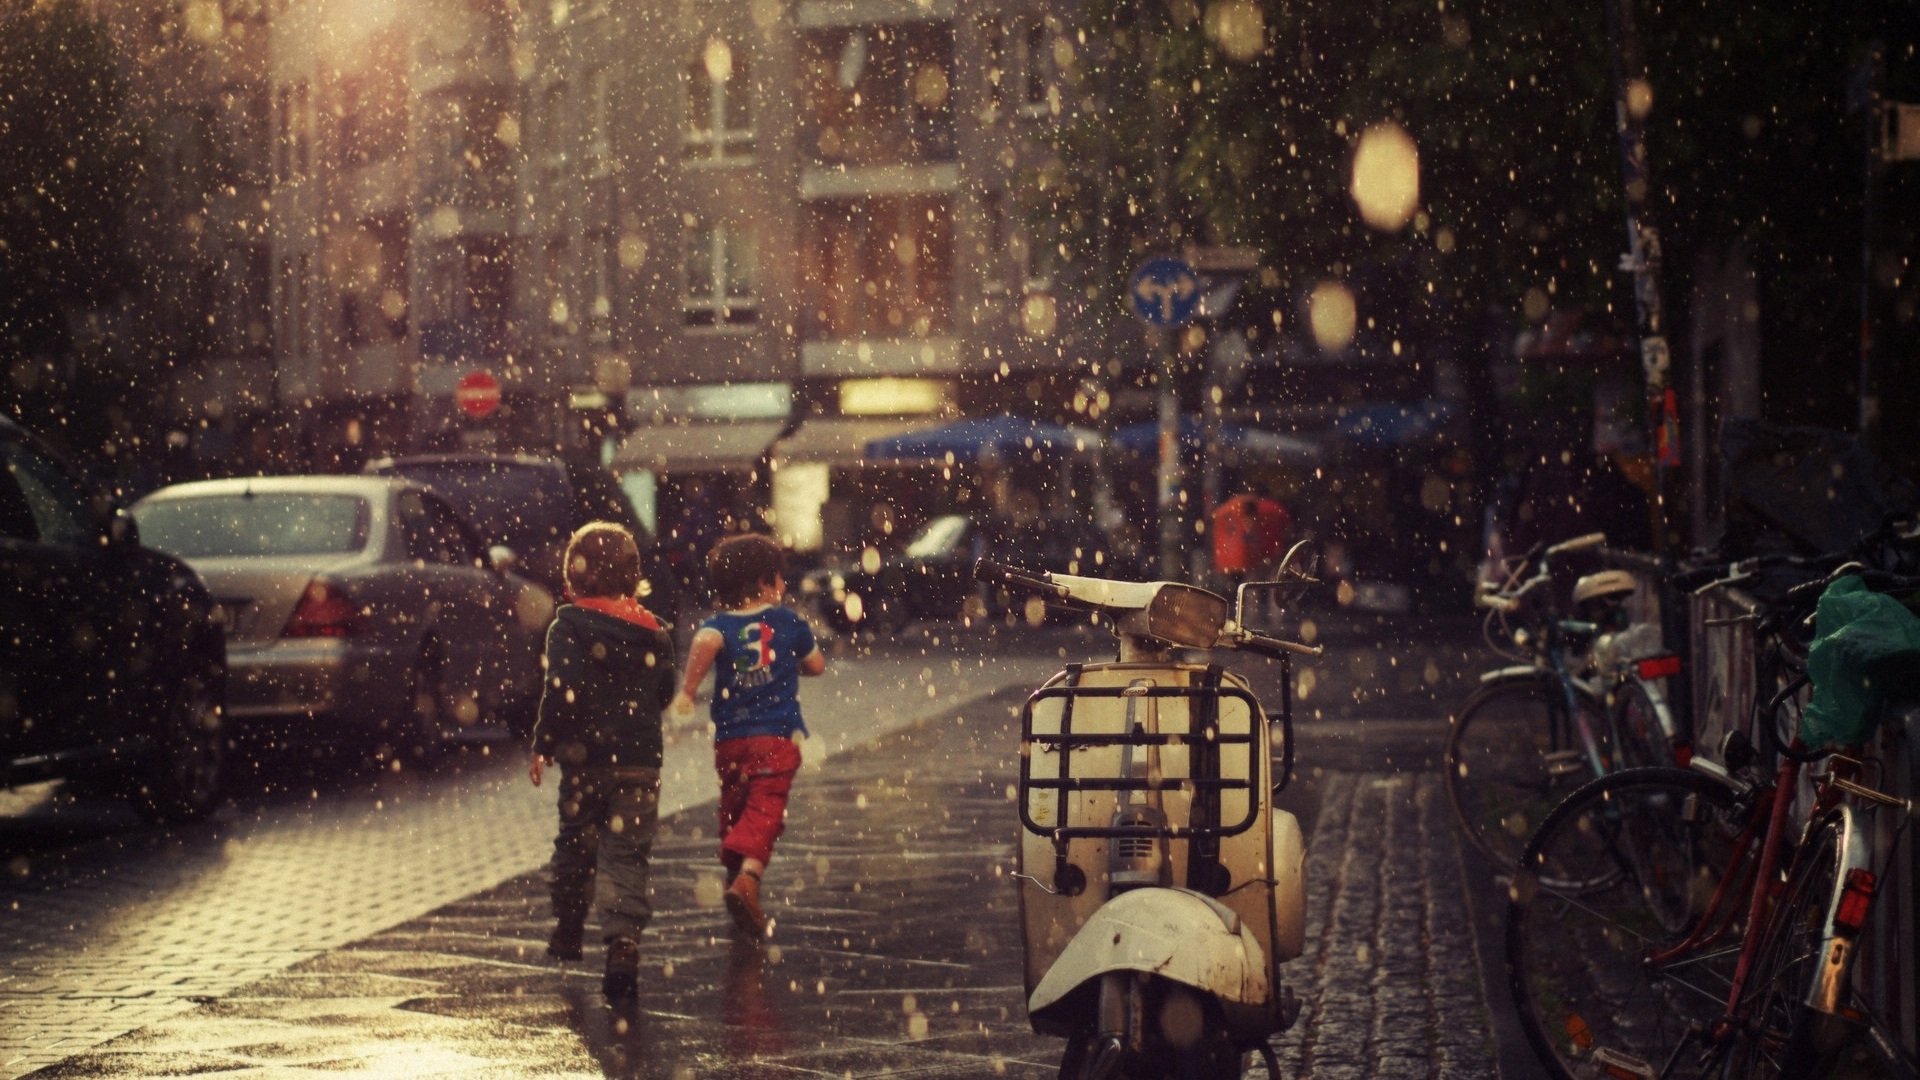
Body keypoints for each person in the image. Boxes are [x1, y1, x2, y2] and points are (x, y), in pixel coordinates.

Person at [528, 522, 677, 1001]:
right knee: (628, 854)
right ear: (634, 578)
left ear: (572, 578)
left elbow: (561, 690)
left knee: (576, 844)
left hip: (586, 762)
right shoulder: (656, 633)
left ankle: (569, 926)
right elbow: (664, 692)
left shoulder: (568, 627)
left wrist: (545, 742)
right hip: (640, 763)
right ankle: (624, 943)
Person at [671, 533, 827, 939]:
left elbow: (705, 642)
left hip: (730, 738)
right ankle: (748, 878)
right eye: (779, 578)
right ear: (764, 583)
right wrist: (791, 662)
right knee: (766, 806)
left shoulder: (718, 625)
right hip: (777, 736)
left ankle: (732, 864)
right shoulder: (789, 622)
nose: (783, 586)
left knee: (735, 801)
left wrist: (688, 690)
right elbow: (817, 666)